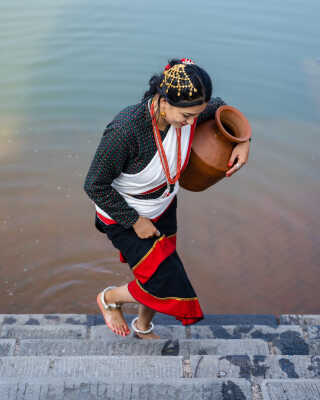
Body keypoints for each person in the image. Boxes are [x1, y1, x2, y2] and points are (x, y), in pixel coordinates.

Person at [84, 58, 250, 339]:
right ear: (163, 102)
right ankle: (109, 298)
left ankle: (143, 326)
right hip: (124, 212)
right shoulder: (126, 131)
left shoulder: (192, 108)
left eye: (196, 115)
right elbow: (94, 185)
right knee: (165, 281)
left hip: (164, 203)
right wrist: (135, 221)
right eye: (186, 117)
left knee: (159, 267)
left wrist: (243, 142)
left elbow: (221, 108)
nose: (192, 122)